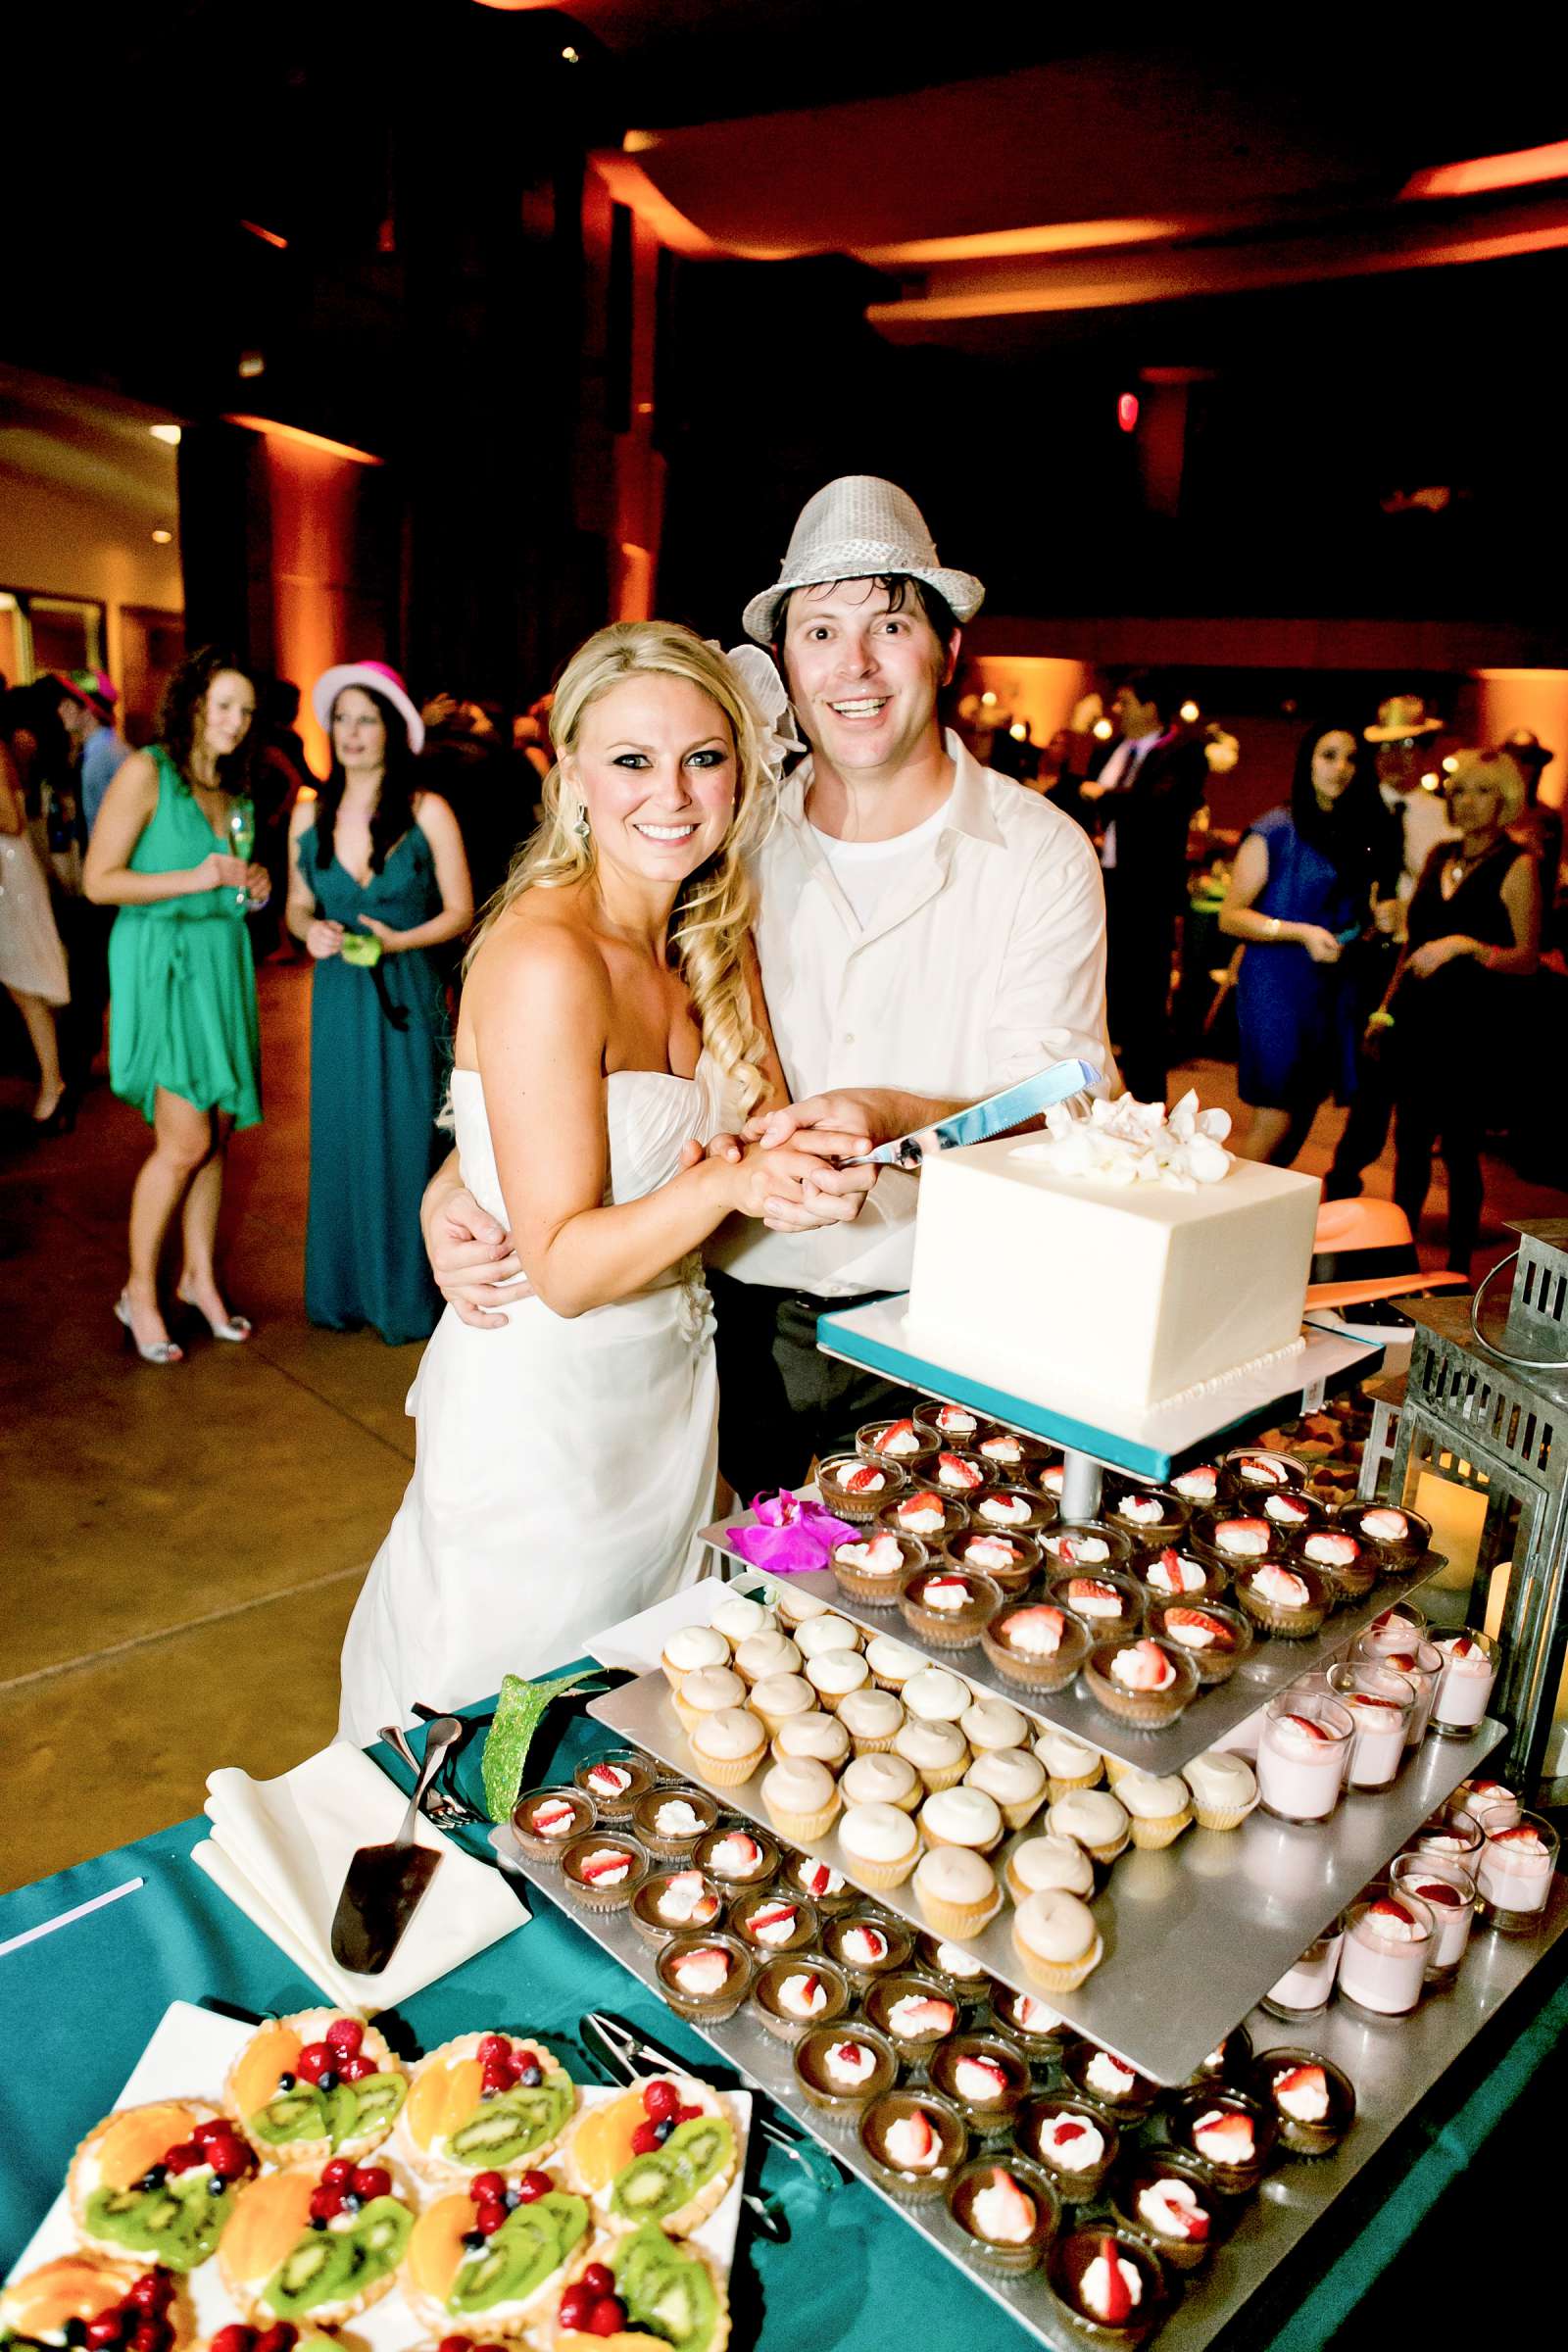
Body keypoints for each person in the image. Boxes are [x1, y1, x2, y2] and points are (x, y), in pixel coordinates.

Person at [421, 477, 1112, 1501]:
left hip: (941, 1323)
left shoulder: (1037, 853)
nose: (855, 667)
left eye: (889, 624)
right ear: (785, 661)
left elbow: (1069, 1107)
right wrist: (469, 1179)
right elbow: (597, 1049)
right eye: (820, 631)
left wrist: (899, 1118)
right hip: (730, 1312)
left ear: (948, 648)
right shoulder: (724, 838)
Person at [337, 623, 830, 1740]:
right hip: (542, 1422)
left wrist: (808, 1158)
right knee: (507, 1714)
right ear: (570, 780)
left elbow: (725, 1143)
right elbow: (560, 1267)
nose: (673, 793)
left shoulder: (709, 938)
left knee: (633, 1710)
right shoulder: (540, 955)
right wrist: (730, 1185)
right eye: (632, 761)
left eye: (704, 758)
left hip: (667, 1397)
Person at [82, 649, 270, 1364]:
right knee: (184, 1141)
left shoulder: (237, 791)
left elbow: (230, 886)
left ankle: (199, 1279)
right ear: (192, 703)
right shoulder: (147, 772)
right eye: (223, 704)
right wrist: (194, 877)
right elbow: (101, 881)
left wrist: (252, 890)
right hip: (160, 964)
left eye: (246, 711)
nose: (235, 721)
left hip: (221, 962)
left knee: (217, 1132)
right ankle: (140, 1291)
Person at [287, 662, 473, 1346]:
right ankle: (344, 1289)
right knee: (342, 1137)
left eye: (367, 720)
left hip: (406, 994)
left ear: (392, 731)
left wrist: (400, 940)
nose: (352, 734)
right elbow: (298, 900)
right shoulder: (309, 812)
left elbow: (460, 911)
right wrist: (308, 928)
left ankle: (410, 1294)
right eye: (342, 719)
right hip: (339, 997)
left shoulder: (428, 810)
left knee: (408, 1139)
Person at [1376, 750, 1541, 1276]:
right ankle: (1396, 1258)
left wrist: (1465, 945)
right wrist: (1383, 1010)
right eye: (1459, 790)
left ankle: (1459, 1265)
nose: (1466, 802)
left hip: (1473, 1029)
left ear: (1505, 801)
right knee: (1409, 1145)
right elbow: (1412, 945)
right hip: (1418, 1021)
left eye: (1481, 792)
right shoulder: (1439, 855)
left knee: (1462, 1150)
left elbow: (1525, 959)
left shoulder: (1518, 865)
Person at [1219, 721, 1399, 1165]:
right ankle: (1225, 1221)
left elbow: (1354, 916)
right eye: (1329, 755)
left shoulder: (1356, 832)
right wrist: (1298, 931)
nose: (1341, 768)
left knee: (1303, 1108)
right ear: (1307, 761)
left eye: (1351, 757)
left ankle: (1260, 1221)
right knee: (1277, 1111)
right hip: (1278, 981)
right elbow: (1230, 916)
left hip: (1334, 984)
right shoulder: (1275, 829)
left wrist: (1381, 920)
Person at [1324, 693, 1456, 1199]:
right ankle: (1339, 1194)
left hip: (1412, 968)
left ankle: (1399, 1217)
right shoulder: (1351, 807)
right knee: (1362, 1092)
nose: (1397, 757)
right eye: (1386, 747)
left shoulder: (1445, 816)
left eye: (1408, 745)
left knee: (1407, 1101)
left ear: (1424, 750)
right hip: (1356, 960)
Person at [1079, 670, 1207, 1103]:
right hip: (1104, 884)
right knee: (1100, 992)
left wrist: (1103, 796)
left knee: (1144, 1005)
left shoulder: (1183, 753)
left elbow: (1161, 804)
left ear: (1152, 707)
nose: (1120, 710)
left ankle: (1149, 1102)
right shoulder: (1112, 750)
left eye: (1128, 702)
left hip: (1147, 892)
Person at [0, 728, 71, 1127]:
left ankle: (53, 1084)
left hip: (8, 875)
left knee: (25, 983)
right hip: (7, 872)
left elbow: (11, 820)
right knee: (19, 984)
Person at [52, 669, 130, 838]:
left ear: (88, 709)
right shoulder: (105, 748)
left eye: (67, 705)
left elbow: (104, 826)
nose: (60, 711)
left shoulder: (101, 756)